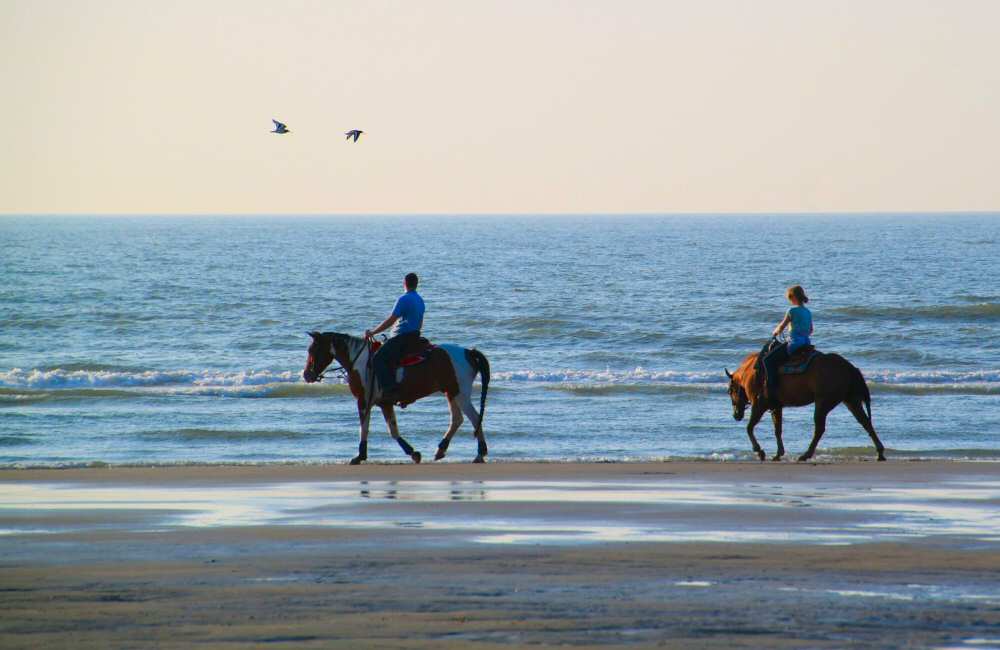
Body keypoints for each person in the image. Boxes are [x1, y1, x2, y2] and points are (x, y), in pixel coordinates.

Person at [366, 273, 425, 405]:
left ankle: (389, 391)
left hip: (402, 337)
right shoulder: (420, 300)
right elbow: (420, 323)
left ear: (404, 283)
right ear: (416, 284)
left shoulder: (404, 299)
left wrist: (373, 332)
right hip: (415, 336)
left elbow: (391, 320)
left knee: (378, 359)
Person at [762, 285, 813, 403]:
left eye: (790, 298)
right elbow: (811, 330)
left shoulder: (791, 310)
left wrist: (775, 332)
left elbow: (782, 326)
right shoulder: (808, 312)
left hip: (794, 343)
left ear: (793, 297)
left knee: (767, 361)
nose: (789, 300)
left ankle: (771, 390)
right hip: (806, 342)